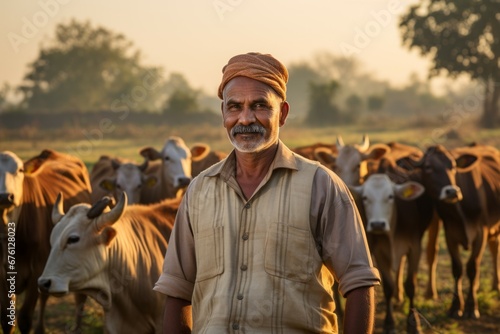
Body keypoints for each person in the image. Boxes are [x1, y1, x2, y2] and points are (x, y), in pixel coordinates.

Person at [154, 52, 381, 333]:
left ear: (282, 113)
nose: (245, 118)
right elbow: (177, 290)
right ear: (223, 114)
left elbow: (359, 283)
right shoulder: (199, 190)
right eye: (234, 107)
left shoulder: (321, 185)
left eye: (260, 105)